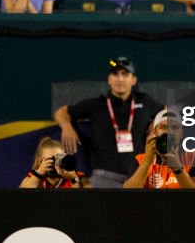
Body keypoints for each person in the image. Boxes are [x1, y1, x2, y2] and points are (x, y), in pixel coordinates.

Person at [53, 57, 164, 188]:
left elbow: (166, 112)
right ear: (109, 79)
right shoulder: (96, 104)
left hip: (138, 176)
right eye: (115, 74)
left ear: (133, 80)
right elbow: (61, 112)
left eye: (125, 74)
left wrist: (156, 124)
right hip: (104, 178)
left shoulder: (145, 102)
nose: (120, 79)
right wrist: (67, 127)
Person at [124, 109, 195, 189]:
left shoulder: (193, 158)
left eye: (175, 128)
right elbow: (127, 194)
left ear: (181, 133)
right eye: (163, 127)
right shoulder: (140, 159)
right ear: (154, 132)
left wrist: (177, 168)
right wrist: (147, 162)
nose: (169, 132)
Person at [20, 137, 90, 189]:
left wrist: (73, 179)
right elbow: (21, 194)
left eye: (58, 158)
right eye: (49, 159)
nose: (55, 163)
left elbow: (84, 199)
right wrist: (39, 174)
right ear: (39, 161)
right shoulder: (34, 176)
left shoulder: (78, 176)